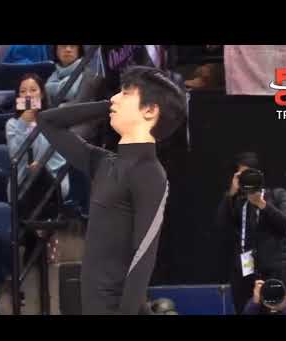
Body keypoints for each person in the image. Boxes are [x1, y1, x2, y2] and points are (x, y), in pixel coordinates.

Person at [38, 66, 187, 314]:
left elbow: (144, 256)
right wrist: (106, 106)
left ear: (149, 110)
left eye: (126, 93)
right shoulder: (104, 162)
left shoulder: (150, 173)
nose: (115, 98)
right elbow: (47, 121)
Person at [215, 152, 286, 314]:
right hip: (245, 272)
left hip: (274, 270)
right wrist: (231, 193)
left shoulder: (278, 195)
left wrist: (261, 204)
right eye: (242, 175)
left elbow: (285, 223)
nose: (247, 179)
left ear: (261, 175)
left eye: (250, 174)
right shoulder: (238, 201)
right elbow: (221, 225)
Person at [6, 73, 70, 264]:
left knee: (40, 177)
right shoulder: (12, 124)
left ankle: (35, 238)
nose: (28, 95)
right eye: (23, 91)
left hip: (51, 178)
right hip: (23, 181)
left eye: (33, 90)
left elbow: (58, 154)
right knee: (30, 184)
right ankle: (42, 236)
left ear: (42, 94)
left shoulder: (53, 120)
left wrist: (41, 165)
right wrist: (24, 124)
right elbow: (15, 155)